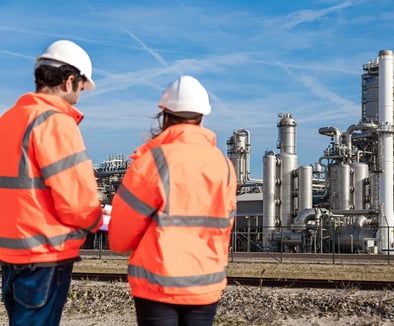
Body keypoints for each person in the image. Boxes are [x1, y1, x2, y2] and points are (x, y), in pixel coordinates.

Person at [108, 75, 237, 326]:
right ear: (202, 117)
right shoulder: (224, 165)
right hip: (205, 285)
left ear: (165, 115)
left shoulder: (152, 162)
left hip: (157, 287)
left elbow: (119, 238)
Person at [0, 40, 104, 325]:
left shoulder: (8, 119)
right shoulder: (55, 122)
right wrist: (98, 219)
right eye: (82, 87)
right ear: (70, 80)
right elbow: (78, 201)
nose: (80, 94)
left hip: (10, 255)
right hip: (44, 257)